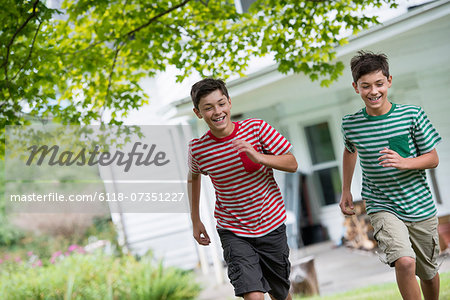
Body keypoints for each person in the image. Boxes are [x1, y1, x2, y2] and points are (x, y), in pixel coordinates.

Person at [339, 51, 442, 300]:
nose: (373, 91)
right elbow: (350, 151)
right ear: (356, 88)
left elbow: (433, 158)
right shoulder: (351, 124)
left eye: (379, 84)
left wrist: (405, 163)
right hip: (381, 203)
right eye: (366, 86)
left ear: (389, 81)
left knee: (428, 273)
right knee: (405, 262)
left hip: (419, 204)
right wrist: (346, 189)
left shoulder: (412, 115)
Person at [187, 78, 298, 300]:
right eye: (208, 108)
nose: (217, 111)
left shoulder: (257, 129)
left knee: (281, 294)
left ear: (229, 103)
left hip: (271, 223)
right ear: (198, 113)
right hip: (234, 230)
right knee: (253, 295)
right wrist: (196, 220)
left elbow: (292, 163)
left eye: (220, 104)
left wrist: (259, 157)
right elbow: (193, 179)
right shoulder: (199, 150)